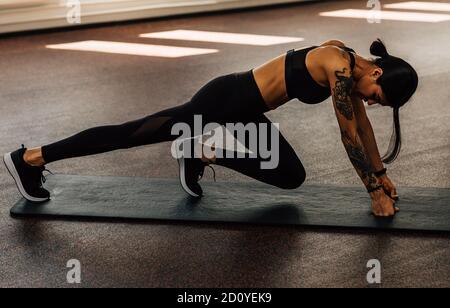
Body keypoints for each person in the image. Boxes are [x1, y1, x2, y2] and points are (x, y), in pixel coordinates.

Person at [3, 38, 418, 217]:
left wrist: (381, 176)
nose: (370, 103)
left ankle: (197, 152)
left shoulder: (350, 66)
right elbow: (349, 135)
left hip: (245, 112)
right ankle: (30, 158)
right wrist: (373, 195)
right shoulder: (339, 64)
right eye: (376, 96)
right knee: (129, 133)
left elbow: (360, 125)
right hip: (220, 100)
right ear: (376, 73)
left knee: (292, 176)